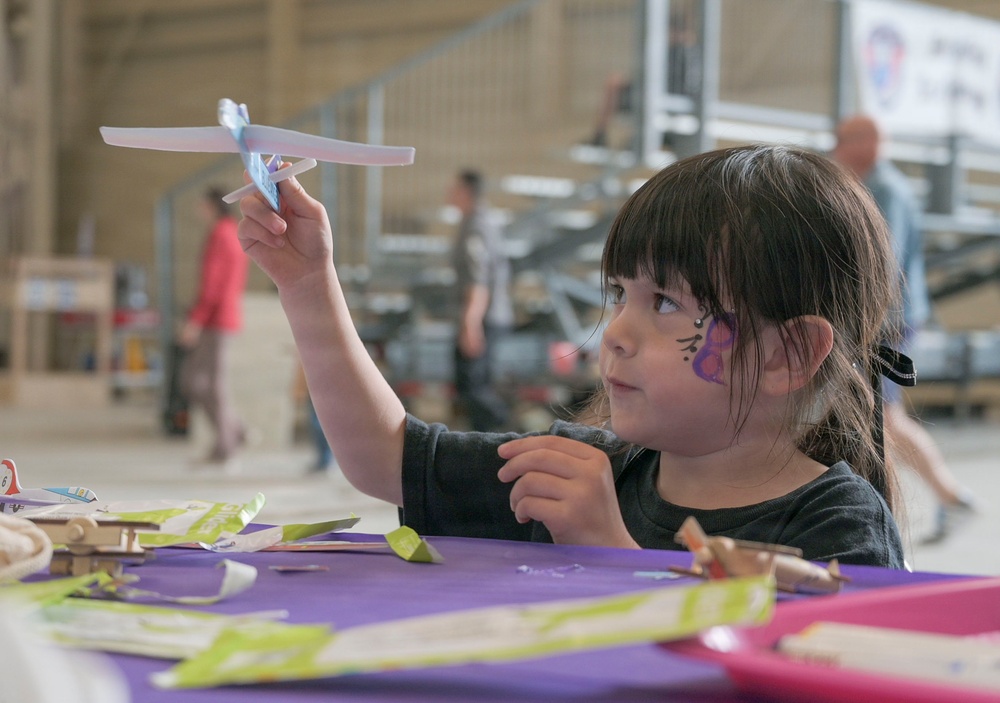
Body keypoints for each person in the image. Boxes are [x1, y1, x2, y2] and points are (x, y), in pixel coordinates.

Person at [237, 144, 906, 567]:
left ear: (790, 353)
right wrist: (306, 282)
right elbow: (383, 454)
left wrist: (610, 553)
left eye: (665, 302)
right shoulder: (584, 472)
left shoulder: (838, 529)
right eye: (619, 293)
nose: (615, 329)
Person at [832, 114, 977, 544]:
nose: (835, 150)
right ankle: (948, 497)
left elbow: (880, 259)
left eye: (841, 141)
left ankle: (943, 499)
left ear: (868, 143)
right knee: (882, 417)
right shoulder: (879, 185)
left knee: (883, 418)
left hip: (885, 321)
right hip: (887, 317)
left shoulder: (885, 190)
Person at [179, 187, 249, 466]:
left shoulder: (220, 235)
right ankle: (234, 432)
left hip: (216, 319)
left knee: (206, 383)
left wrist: (194, 321)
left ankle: (227, 442)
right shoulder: (231, 231)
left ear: (212, 206)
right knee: (201, 382)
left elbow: (212, 285)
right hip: (221, 317)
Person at [447, 169, 514, 432]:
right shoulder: (480, 222)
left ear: (466, 191)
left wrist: (470, 323)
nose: (449, 193)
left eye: (454, 187)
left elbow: (478, 281)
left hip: (483, 318)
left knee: (472, 387)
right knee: (475, 387)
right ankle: (490, 445)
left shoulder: (476, 226)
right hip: (485, 316)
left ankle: (509, 431)